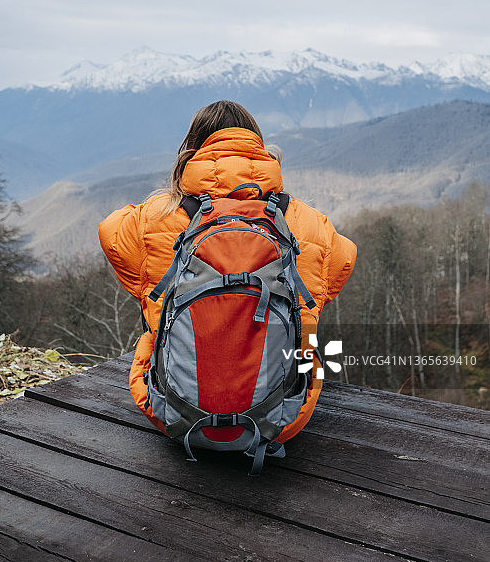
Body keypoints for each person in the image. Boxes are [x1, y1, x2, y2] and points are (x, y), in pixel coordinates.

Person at [98, 100, 357, 444]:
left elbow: (109, 231)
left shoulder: (153, 218)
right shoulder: (308, 223)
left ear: (192, 151)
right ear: (261, 151)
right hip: (285, 418)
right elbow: (345, 257)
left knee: (154, 326)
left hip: (173, 413)